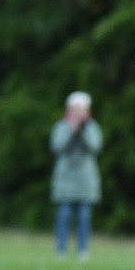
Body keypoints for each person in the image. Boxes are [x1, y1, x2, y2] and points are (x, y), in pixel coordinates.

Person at [50, 91, 103, 261]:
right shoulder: (62, 126)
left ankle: (83, 250)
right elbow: (56, 147)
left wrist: (83, 131)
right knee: (63, 216)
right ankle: (61, 250)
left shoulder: (92, 127)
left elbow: (95, 147)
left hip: (85, 180)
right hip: (65, 178)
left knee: (84, 217)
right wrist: (70, 131)